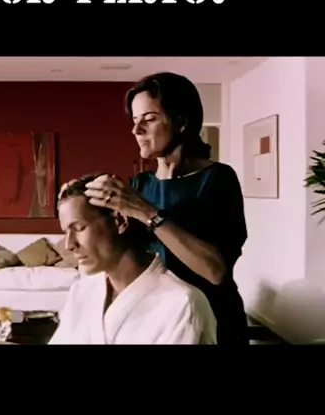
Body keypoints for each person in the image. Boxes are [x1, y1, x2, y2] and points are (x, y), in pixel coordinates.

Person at [84, 73, 249, 345]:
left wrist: (146, 212)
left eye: (148, 119)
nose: (136, 130)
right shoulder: (139, 184)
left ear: (182, 122)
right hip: (160, 321)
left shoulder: (218, 179)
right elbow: (123, 255)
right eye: (134, 121)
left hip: (213, 319)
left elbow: (215, 271)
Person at [48, 174, 217, 344]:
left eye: (79, 228)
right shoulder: (81, 291)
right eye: (66, 232)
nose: (69, 245)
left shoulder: (182, 304)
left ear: (120, 221)